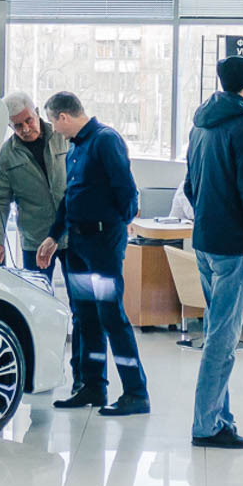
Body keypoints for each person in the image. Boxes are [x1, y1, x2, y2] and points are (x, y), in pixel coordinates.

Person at [182, 55, 243, 449]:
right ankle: (206, 426)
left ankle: (220, 418)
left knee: (215, 333)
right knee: (222, 342)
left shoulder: (200, 126)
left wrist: (211, 215)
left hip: (205, 243)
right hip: (233, 247)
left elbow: (189, 187)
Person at [36, 93, 149, 415]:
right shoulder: (75, 148)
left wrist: (119, 225)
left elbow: (126, 189)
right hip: (78, 246)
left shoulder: (105, 140)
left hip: (102, 245)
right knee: (86, 317)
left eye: (54, 123)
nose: (55, 131)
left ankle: (136, 393)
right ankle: (93, 386)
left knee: (111, 316)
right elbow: (70, 198)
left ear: (63, 117)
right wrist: (53, 235)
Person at [0, 92, 69, 283]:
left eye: (29, 120)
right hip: (35, 239)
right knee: (36, 294)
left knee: (82, 295)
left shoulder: (63, 136)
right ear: (9, 126)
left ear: (37, 112)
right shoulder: (5, 156)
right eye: (18, 126)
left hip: (73, 234)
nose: (26, 129)